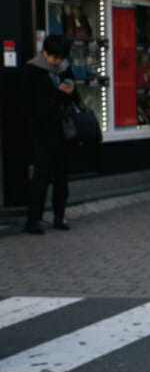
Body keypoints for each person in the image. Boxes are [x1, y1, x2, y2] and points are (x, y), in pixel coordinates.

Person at [22, 34, 76, 234]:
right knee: (42, 175)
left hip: (62, 130)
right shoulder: (32, 70)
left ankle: (59, 216)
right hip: (41, 132)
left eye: (61, 58)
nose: (58, 62)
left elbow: (74, 97)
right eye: (55, 58)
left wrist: (70, 92)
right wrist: (58, 94)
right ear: (45, 53)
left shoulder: (65, 69)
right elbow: (28, 101)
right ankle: (33, 220)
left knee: (62, 176)